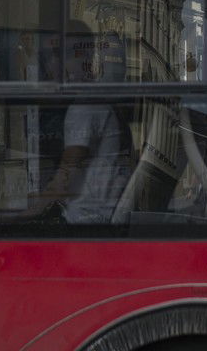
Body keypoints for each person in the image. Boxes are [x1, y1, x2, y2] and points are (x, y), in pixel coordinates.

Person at [27, 28, 131, 225]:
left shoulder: (84, 106)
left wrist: (25, 213)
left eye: (59, 56)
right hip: (100, 217)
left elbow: (66, 174)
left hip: (86, 222)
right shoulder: (93, 101)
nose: (51, 64)